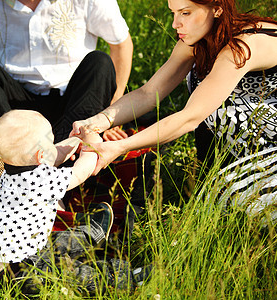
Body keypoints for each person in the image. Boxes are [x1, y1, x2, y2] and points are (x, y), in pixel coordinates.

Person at [70, 0, 277, 217]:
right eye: (173, 13)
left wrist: (120, 147)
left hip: (268, 150)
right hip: (239, 150)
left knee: (231, 204)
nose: (175, 24)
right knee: (220, 200)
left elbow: (190, 118)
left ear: (217, 9)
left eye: (185, 13)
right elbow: (149, 93)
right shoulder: (197, 41)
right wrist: (97, 121)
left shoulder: (242, 47)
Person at [0, 0, 133, 142]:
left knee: (100, 62)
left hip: (72, 101)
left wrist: (109, 116)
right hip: (10, 105)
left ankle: (70, 147)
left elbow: (121, 46)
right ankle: (4, 145)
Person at [0, 109, 106, 281]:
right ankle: (115, 274)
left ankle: (91, 234)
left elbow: (53, 155)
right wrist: (92, 146)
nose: (53, 145)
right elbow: (81, 172)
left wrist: (77, 139)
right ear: (40, 155)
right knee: (67, 272)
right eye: (50, 141)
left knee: (53, 244)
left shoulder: (10, 174)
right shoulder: (43, 182)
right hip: (15, 271)